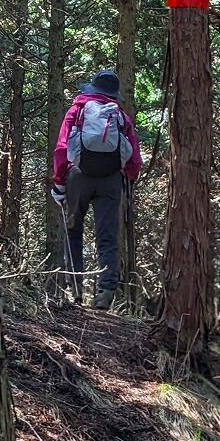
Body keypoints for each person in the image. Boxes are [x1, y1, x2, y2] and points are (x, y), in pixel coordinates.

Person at [51, 69, 143, 310]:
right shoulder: (121, 116)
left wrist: (59, 182)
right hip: (111, 179)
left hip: (79, 176)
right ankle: (105, 293)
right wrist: (128, 179)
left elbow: (62, 148)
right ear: (114, 94)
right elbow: (134, 158)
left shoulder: (78, 110)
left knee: (73, 230)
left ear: (93, 89)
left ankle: (75, 290)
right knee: (107, 236)